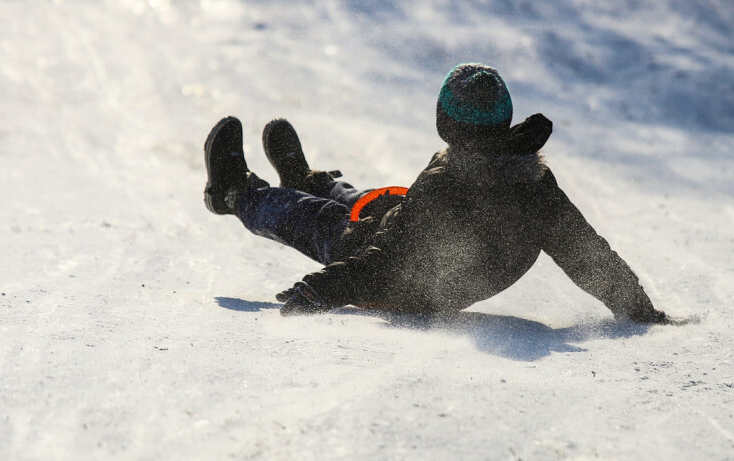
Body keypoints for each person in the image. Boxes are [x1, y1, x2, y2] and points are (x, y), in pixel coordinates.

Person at [202, 62, 668, 322]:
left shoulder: (446, 187)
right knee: (382, 199)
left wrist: (321, 289)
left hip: (397, 287)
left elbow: (383, 259)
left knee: (322, 223)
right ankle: (311, 183)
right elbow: (587, 253)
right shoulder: (534, 183)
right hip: (415, 250)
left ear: (445, 122)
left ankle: (237, 194)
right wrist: (639, 309)